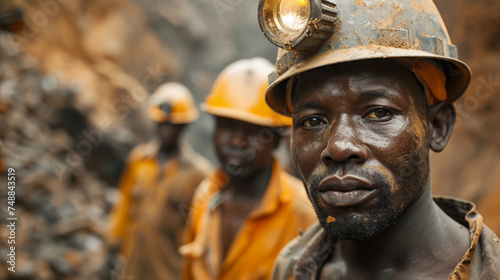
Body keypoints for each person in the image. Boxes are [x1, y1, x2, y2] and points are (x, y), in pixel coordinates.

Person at [256, 0, 500, 279]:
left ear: (437, 126)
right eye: (313, 121)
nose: (338, 147)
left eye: (378, 113)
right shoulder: (292, 267)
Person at [180, 57, 316, 280]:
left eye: (253, 131)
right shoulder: (206, 195)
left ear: (276, 137)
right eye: (228, 127)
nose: (237, 142)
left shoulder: (303, 215)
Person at [108, 82, 212, 279]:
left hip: (168, 271)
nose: (167, 130)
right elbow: (123, 205)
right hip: (132, 266)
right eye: (162, 124)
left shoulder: (198, 174)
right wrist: (112, 245)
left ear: (184, 126)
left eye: (173, 125)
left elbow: (201, 233)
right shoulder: (139, 160)